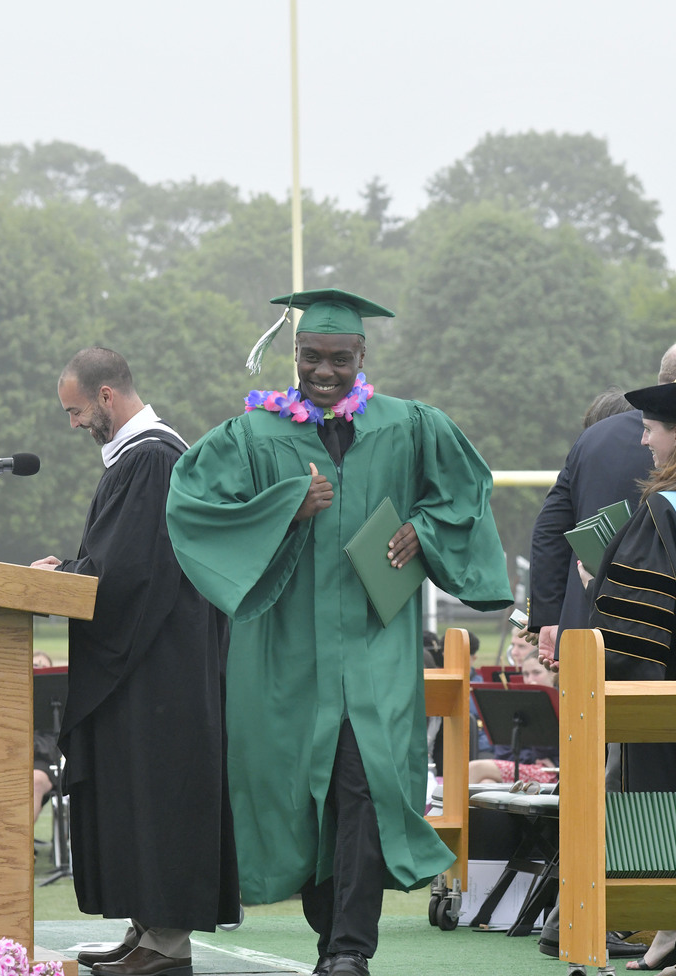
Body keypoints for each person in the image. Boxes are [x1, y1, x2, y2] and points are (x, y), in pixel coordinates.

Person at [167, 289, 512, 976]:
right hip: (285, 655)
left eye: (340, 358)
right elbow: (191, 504)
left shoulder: (410, 427)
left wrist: (425, 531)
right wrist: (283, 507)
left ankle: (349, 948)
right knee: (302, 797)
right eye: (311, 356)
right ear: (293, 356)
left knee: (365, 785)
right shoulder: (251, 436)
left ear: (363, 356)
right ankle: (330, 930)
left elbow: (466, 492)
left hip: (374, 648)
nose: (324, 371)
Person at [30, 347, 237, 976]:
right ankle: (147, 929)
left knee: (159, 799)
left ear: (107, 397)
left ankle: (167, 945)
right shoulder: (141, 458)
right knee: (137, 796)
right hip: (149, 666)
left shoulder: (151, 458)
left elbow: (123, 575)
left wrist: (63, 576)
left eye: (75, 410)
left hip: (159, 670)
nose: (72, 423)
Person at [527, 339, 676, 661]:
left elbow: (549, 528)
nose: (643, 439)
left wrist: (556, 613)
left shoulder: (595, 441)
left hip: (623, 644)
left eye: (649, 430)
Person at [467, 654, 559, 784]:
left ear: (553, 674)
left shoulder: (564, 702)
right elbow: (503, 751)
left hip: (553, 772)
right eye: (526, 674)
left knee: (475, 768)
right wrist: (532, 758)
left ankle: (451, 804)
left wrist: (553, 761)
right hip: (524, 767)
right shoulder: (515, 703)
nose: (530, 679)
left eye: (536, 673)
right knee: (486, 783)